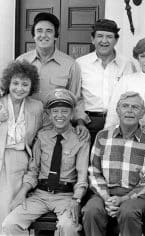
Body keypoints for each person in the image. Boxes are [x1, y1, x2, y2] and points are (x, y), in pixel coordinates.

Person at [2, 88, 90, 236]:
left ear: (72, 113)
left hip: (65, 196)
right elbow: (33, 170)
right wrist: (22, 192)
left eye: (64, 111)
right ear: (49, 114)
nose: (59, 115)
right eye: (55, 111)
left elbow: (82, 177)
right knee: (10, 223)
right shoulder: (42, 136)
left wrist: (77, 199)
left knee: (67, 227)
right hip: (40, 195)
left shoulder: (80, 140)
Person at [82, 91, 145, 236]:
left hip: (136, 195)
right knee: (91, 210)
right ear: (117, 110)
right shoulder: (103, 136)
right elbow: (94, 172)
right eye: (125, 106)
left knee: (128, 211)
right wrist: (107, 198)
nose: (129, 110)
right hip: (106, 193)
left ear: (142, 113)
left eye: (135, 107)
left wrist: (124, 199)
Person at [16, 12, 89, 140]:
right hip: (24, 127)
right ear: (34, 35)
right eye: (39, 31)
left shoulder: (70, 64)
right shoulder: (21, 62)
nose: (43, 35)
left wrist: (80, 122)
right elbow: (10, 93)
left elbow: (76, 98)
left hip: (55, 128)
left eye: (49, 31)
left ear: (55, 36)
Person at [76, 19, 136, 145]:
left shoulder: (127, 64)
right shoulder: (80, 64)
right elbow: (76, 97)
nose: (104, 41)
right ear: (92, 39)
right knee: (87, 162)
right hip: (88, 123)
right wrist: (80, 122)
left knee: (114, 162)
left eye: (109, 36)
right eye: (100, 36)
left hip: (119, 123)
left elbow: (133, 96)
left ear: (116, 40)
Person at [0, 61, 43, 230]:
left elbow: (39, 138)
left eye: (25, 84)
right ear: (8, 83)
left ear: (31, 86)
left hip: (21, 160)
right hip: (1, 156)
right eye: (15, 83)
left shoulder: (36, 107)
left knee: (14, 205)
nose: (19, 88)